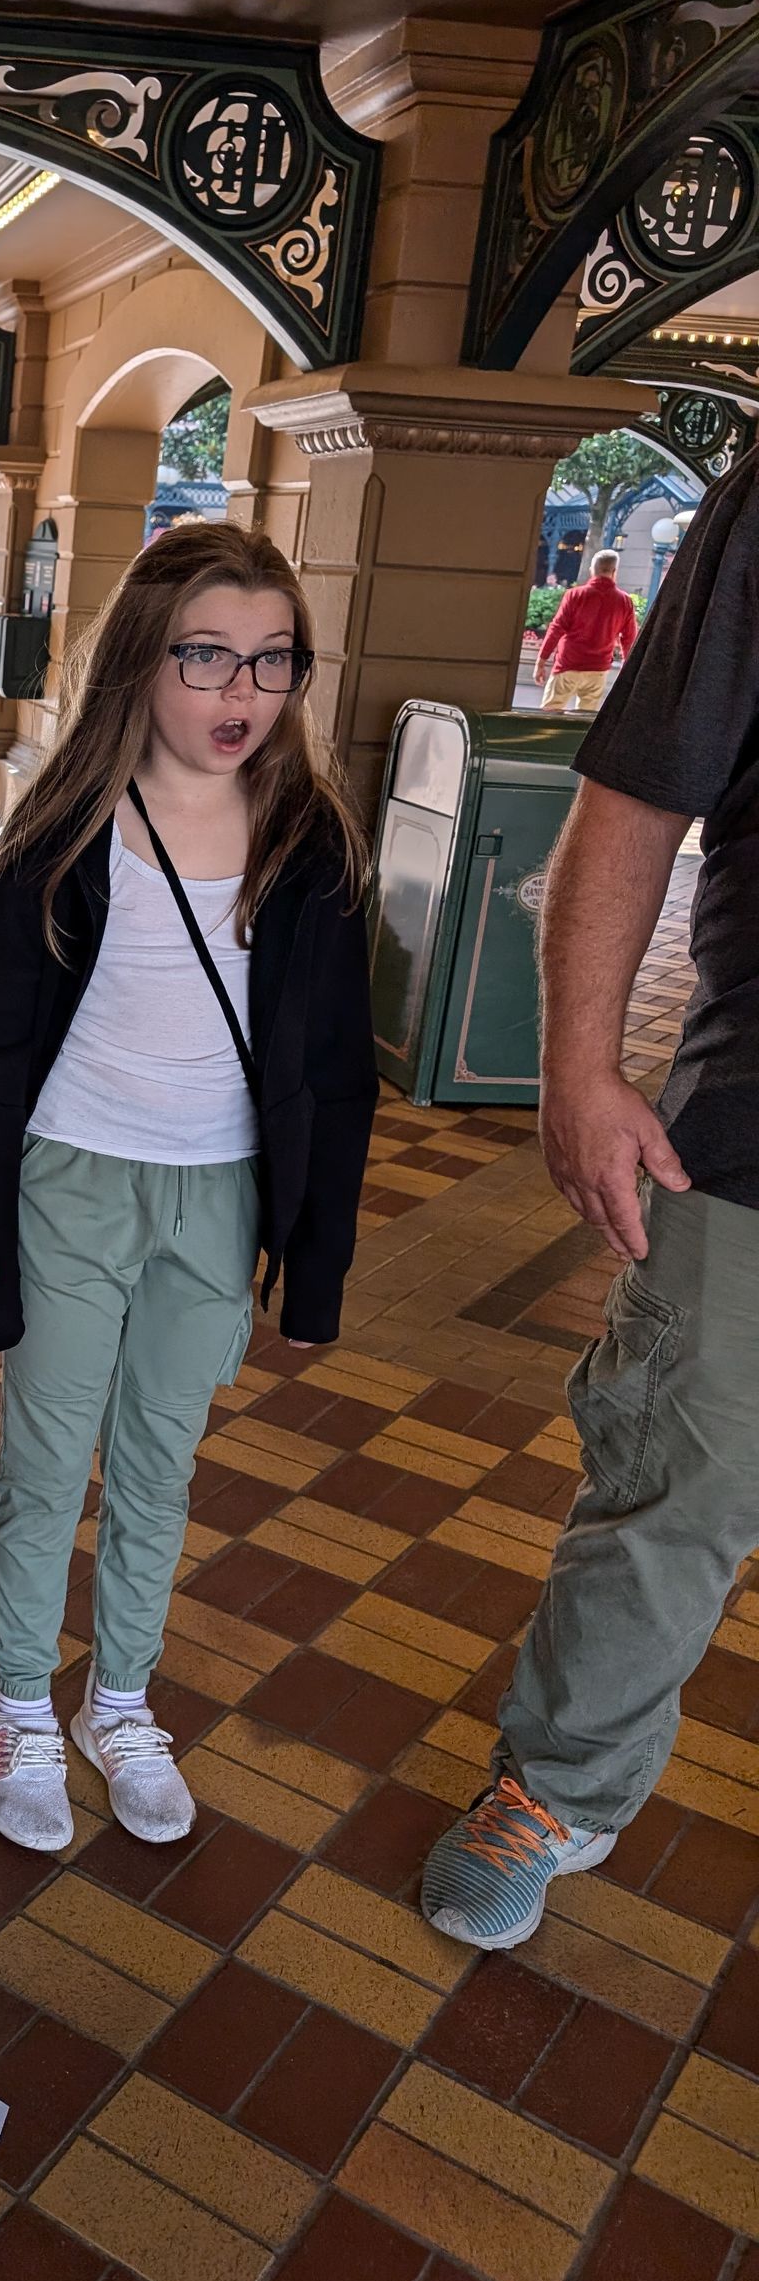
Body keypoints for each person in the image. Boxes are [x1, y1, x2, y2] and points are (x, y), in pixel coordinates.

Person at [0, 522, 375, 1855]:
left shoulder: (310, 842)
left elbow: (339, 1071)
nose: (240, 694)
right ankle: (16, 1699)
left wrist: (320, 1263)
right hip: (73, 1181)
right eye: (206, 657)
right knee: (49, 1460)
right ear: (140, 661)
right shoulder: (70, 829)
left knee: (161, 1466)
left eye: (271, 663)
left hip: (219, 1195)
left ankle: (118, 1701)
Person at [422, 448, 759, 1950]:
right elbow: (636, 793)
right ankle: (558, 1785)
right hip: (754, 1143)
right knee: (672, 1492)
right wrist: (577, 1059)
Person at [534, 549, 638, 712]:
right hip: (598, 669)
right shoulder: (624, 601)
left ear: (592, 570)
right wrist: (628, 669)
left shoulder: (575, 595)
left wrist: (541, 661)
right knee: (585, 720)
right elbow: (629, 639)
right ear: (614, 571)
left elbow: (557, 628)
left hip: (568, 664)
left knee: (550, 712)